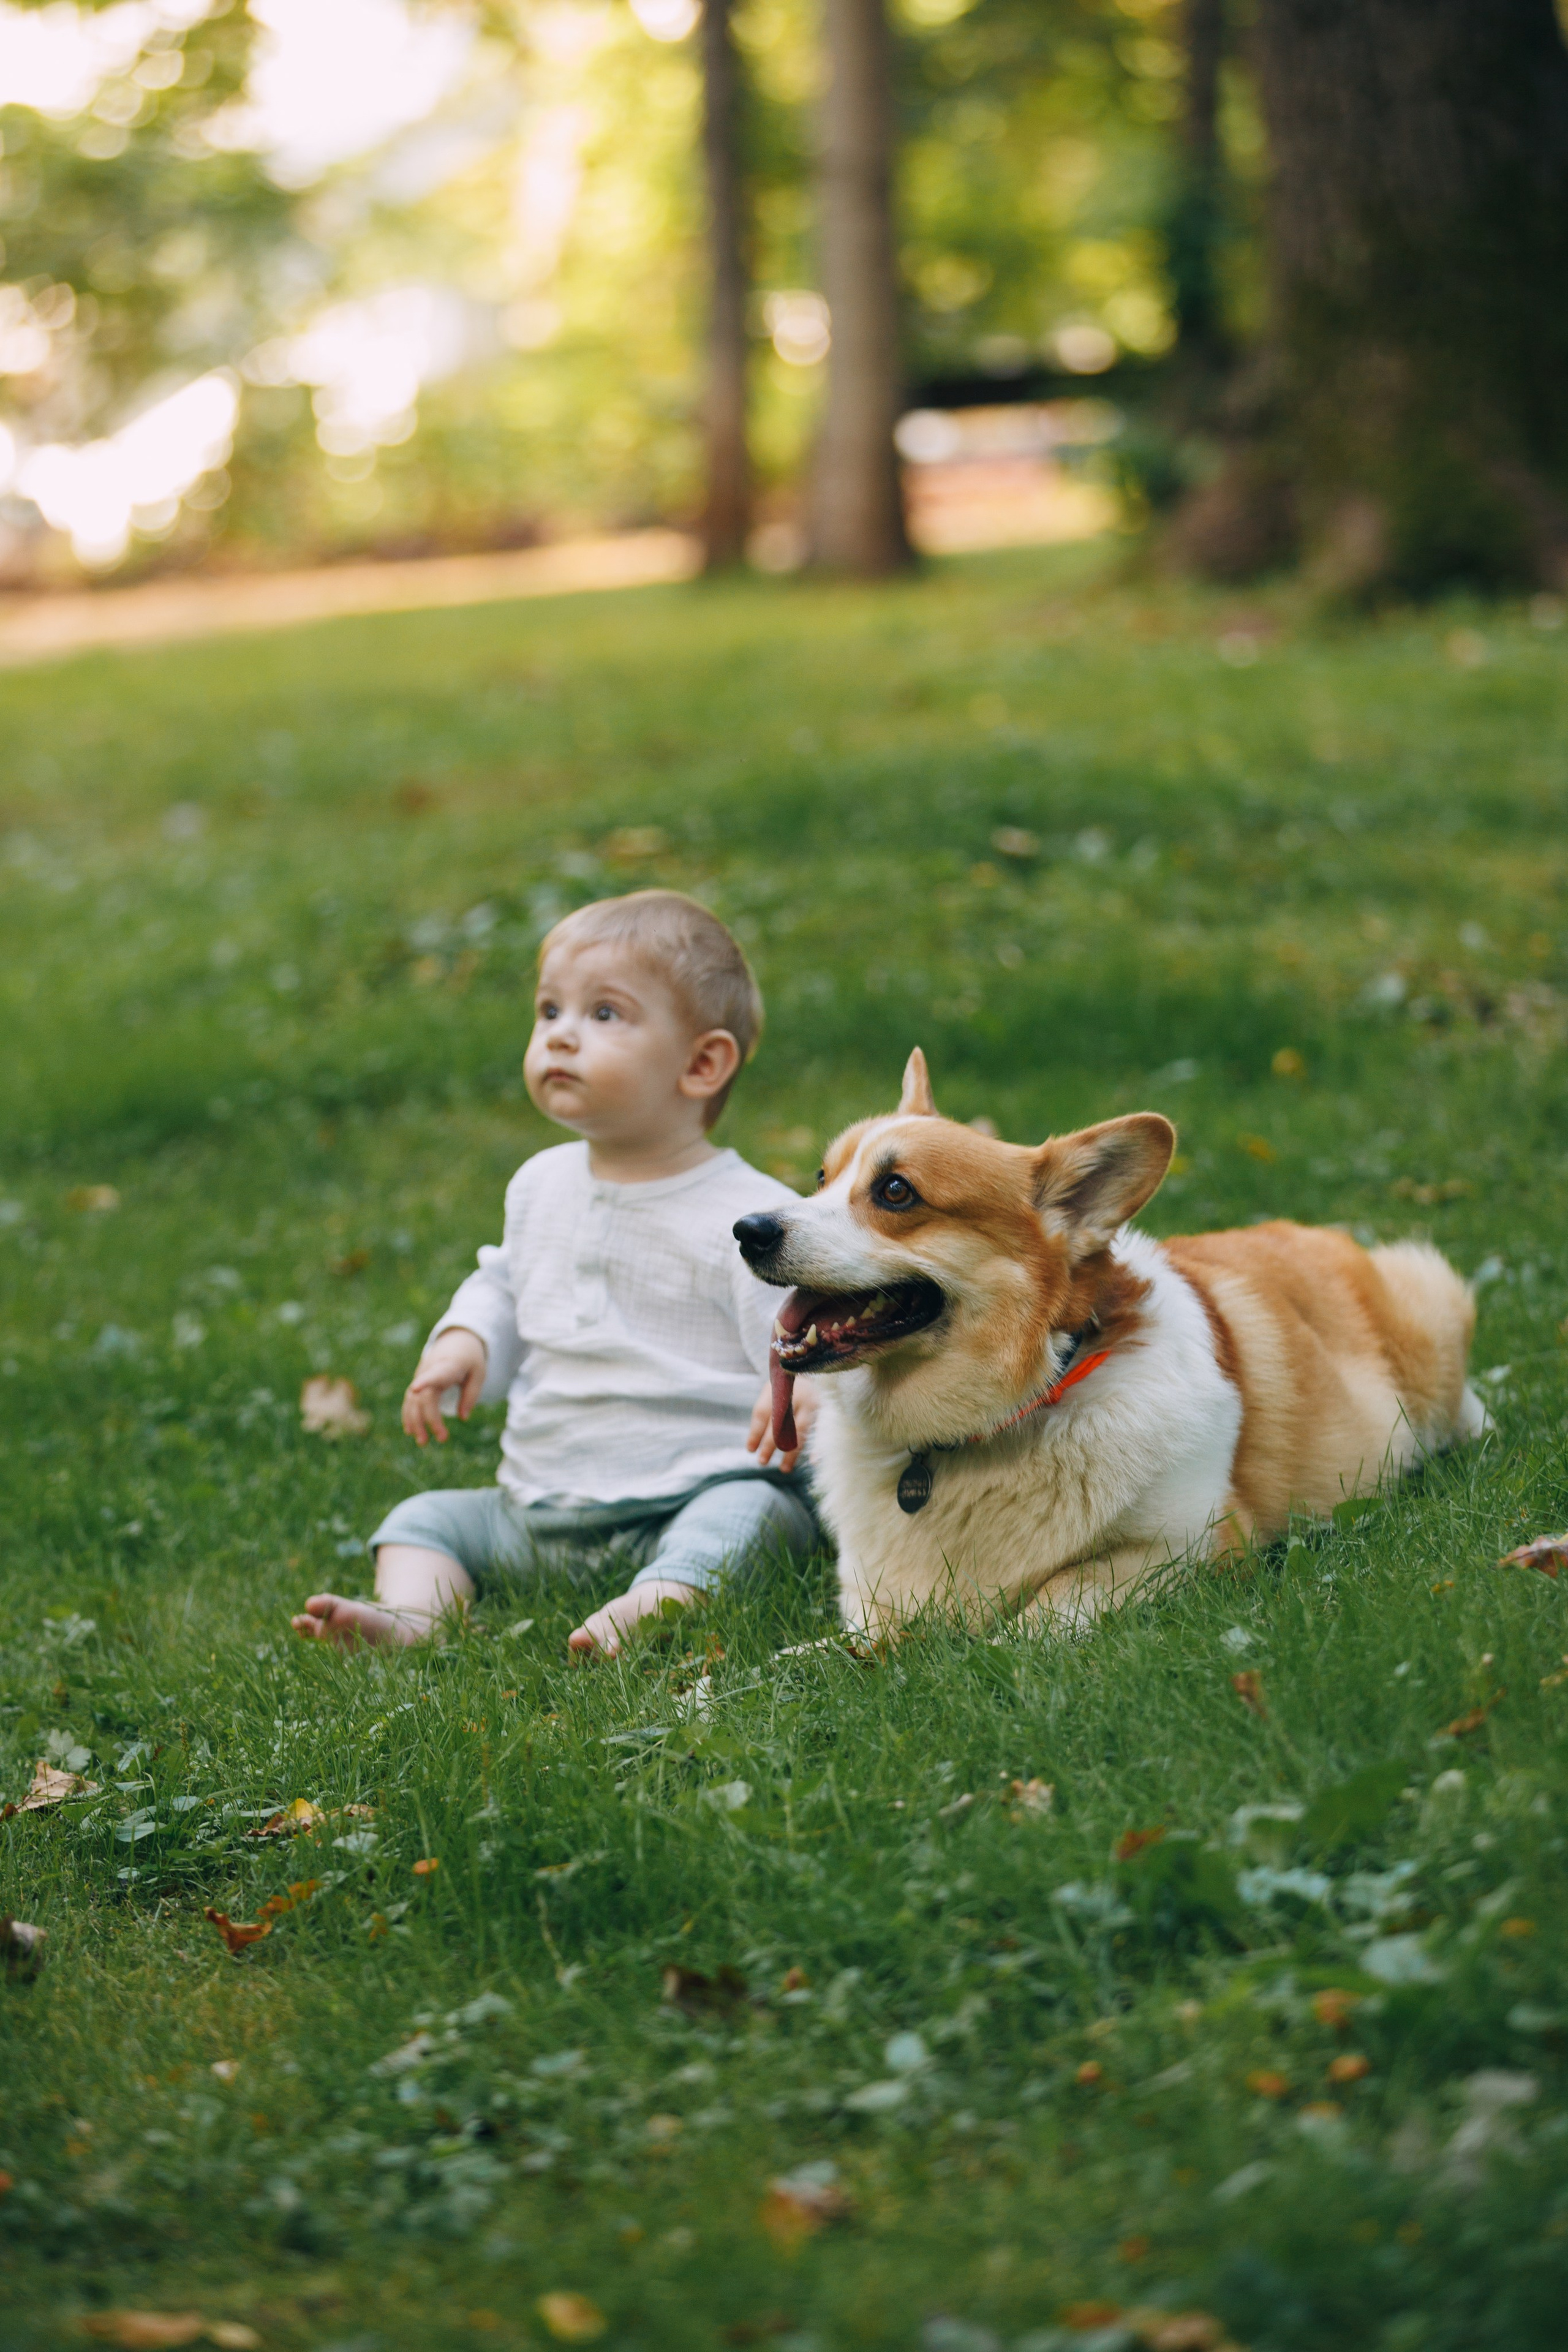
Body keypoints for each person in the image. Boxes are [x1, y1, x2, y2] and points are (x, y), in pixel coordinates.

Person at [290, 889, 816, 1658]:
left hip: (691, 1490)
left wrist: (800, 1387)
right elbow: (506, 1282)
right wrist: (467, 1340)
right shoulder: (539, 1183)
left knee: (754, 1517)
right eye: (549, 1012)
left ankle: (662, 1599)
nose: (563, 1037)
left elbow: (802, 1328)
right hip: (539, 1509)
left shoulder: (750, 1216)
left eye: (604, 1014)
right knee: (424, 1521)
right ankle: (414, 1616)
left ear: (701, 1063)